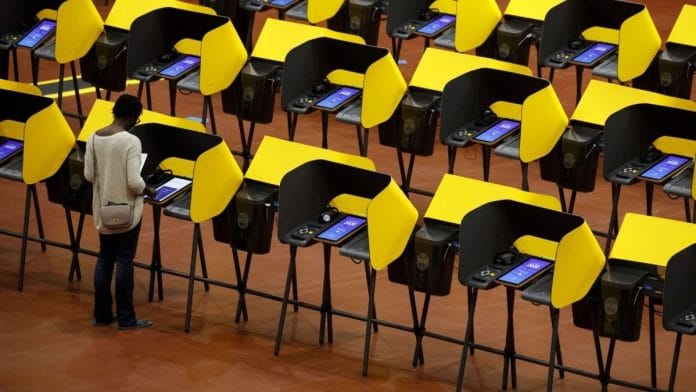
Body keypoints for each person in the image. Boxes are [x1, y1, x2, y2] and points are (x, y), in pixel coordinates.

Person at [84, 94, 156, 330]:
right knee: (125, 260)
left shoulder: (94, 137)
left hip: (103, 209)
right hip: (127, 211)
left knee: (105, 257)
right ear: (132, 117)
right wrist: (149, 190)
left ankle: (102, 315)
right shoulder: (130, 141)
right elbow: (135, 183)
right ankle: (127, 318)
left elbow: (88, 175)